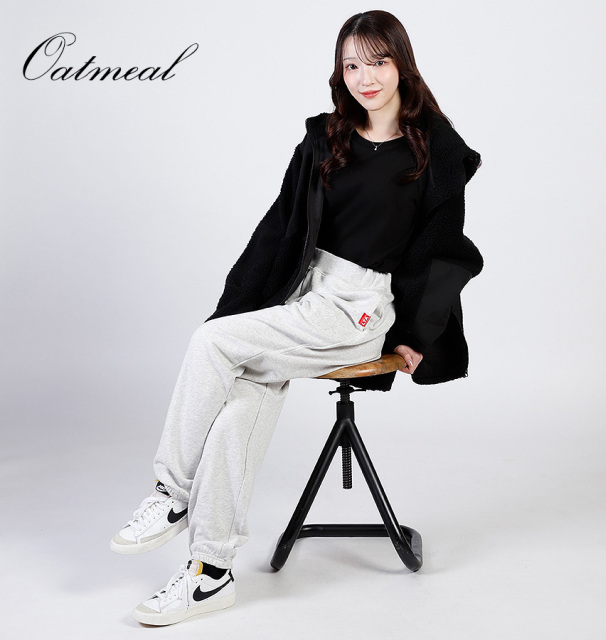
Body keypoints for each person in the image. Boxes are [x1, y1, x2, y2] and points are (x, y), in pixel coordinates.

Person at [111, 9, 483, 626]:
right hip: (304, 295)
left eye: (379, 62)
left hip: (359, 308)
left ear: (402, 64)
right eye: (352, 65)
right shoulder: (325, 139)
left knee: (211, 344)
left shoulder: (435, 148)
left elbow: (443, 249)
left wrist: (419, 334)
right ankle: (209, 573)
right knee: (237, 407)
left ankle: (171, 493)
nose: (366, 77)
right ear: (340, 73)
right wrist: (239, 306)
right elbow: (279, 229)